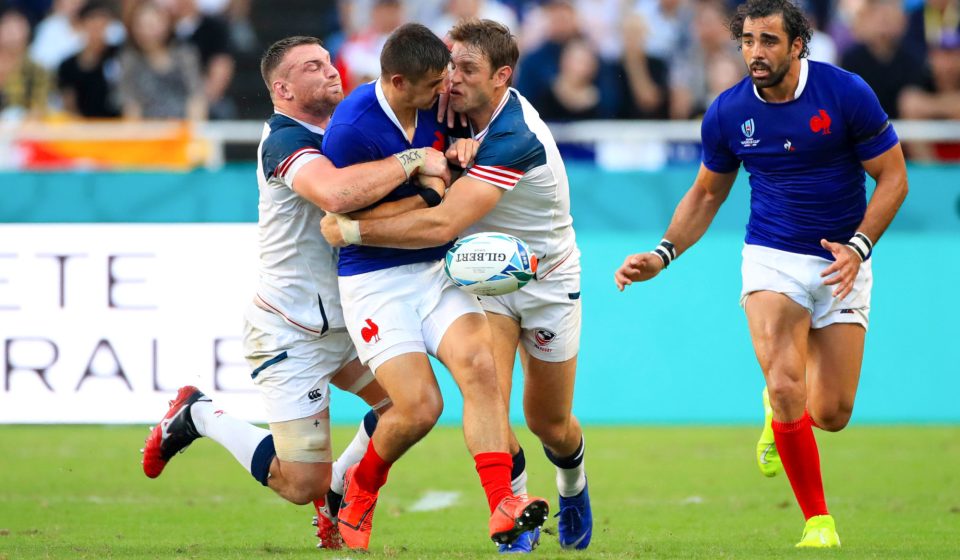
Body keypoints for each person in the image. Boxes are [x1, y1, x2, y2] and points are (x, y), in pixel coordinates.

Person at [140, 35, 454, 551]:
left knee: (412, 406)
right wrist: (416, 160)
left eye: (329, 61)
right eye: (312, 67)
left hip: (349, 316)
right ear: (282, 89)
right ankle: (198, 414)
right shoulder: (285, 140)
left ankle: (338, 488)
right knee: (297, 483)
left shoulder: (353, 127)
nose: (330, 71)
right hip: (291, 330)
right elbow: (335, 194)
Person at [614, 0, 908, 548]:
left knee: (833, 412)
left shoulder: (846, 93)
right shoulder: (727, 113)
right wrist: (662, 253)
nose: (755, 52)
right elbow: (706, 193)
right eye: (747, 40)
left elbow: (893, 178)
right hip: (772, 258)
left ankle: (778, 416)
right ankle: (819, 522)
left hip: (842, 262)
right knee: (785, 379)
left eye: (768, 40)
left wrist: (859, 246)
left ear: (798, 45)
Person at [321, 19, 591, 553]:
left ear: (502, 77)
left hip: (544, 277)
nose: (450, 81)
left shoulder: (515, 136)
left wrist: (355, 228)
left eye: (465, 70)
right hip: (465, 276)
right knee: (472, 383)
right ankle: (508, 511)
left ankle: (573, 485)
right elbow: (341, 191)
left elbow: (442, 221)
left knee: (549, 422)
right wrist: (439, 161)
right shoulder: (423, 107)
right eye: (448, 69)